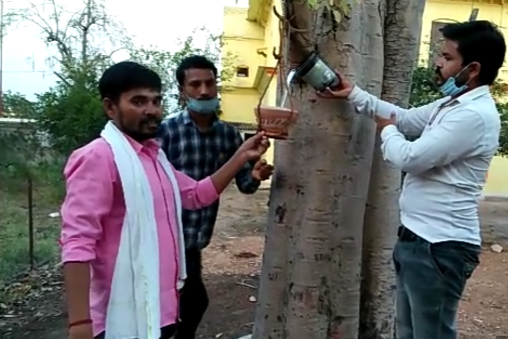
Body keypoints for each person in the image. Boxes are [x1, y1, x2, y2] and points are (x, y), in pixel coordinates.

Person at [318, 20, 505, 339]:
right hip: (418, 240)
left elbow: (411, 157)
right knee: (409, 332)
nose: (438, 63)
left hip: (441, 247)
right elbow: (404, 117)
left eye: (446, 58)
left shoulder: (472, 115)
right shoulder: (452, 105)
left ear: (472, 69)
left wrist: (386, 130)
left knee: (430, 334)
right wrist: (353, 94)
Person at [60, 61, 271, 339]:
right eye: (138, 101)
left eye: (156, 101)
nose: (151, 110)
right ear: (111, 107)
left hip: (158, 311)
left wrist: (241, 155)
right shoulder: (98, 157)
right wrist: (79, 323)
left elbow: (197, 195)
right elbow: (77, 242)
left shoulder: (154, 157)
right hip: (118, 315)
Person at [157, 55, 274, 339]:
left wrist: (257, 174)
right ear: (182, 91)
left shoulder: (229, 136)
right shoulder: (166, 132)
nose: (204, 90)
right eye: (195, 84)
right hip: (164, 238)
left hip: (195, 240)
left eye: (209, 83)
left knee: (188, 304)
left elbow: (245, 185)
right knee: (184, 304)